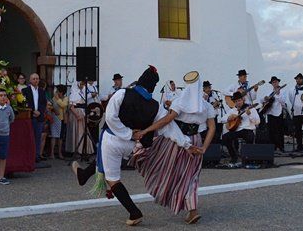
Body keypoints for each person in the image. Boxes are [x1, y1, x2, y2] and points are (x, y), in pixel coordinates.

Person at [72, 66, 166, 227]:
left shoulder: (123, 93)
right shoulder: (155, 105)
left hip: (114, 140)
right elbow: (165, 125)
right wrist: (184, 142)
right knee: (107, 161)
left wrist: (128, 132)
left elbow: (110, 117)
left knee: (113, 179)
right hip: (131, 146)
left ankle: (134, 212)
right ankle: (83, 175)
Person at [132, 71, 216, 224]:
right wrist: (204, 147)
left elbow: (166, 121)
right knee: (191, 176)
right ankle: (192, 210)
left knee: (166, 169)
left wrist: (146, 130)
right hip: (196, 141)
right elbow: (212, 128)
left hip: (177, 142)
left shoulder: (179, 102)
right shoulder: (206, 106)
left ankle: (167, 193)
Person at [221, 91, 260, 167]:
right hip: (237, 130)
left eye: (239, 100)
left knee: (250, 137)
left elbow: (257, 122)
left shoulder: (250, 108)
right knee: (225, 137)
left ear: (243, 100)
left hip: (247, 129)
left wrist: (249, 114)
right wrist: (228, 118)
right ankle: (234, 156)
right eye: (236, 101)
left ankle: (248, 157)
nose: (238, 103)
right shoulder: (233, 110)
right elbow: (222, 119)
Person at [67, 79, 98, 155]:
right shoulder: (73, 93)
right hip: (76, 113)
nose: (82, 86)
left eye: (83, 84)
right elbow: (71, 106)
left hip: (82, 112)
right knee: (78, 132)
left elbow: (84, 103)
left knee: (83, 132)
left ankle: (83, 150)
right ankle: (77, 150)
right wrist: (77, 115)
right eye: (81, 84)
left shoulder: (83, 93)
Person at [24, 73, 48, 164]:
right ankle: (29, 156)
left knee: (38, 137)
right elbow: (25, 102)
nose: (36, 80)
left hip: (39, 117)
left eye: (37, 79)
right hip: (30, 116)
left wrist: (39, 112)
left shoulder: (42, 91)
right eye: (34, 79)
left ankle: (36, 156)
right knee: (29, 137)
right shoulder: (25, 90)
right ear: (30, 80)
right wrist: (33, 110)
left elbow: (43, 103)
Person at [263, 76, 287, 152]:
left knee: (280, 131)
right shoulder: (268, 91)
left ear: (278, 82)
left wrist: (278, 94)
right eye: (273, 82)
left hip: (278, 112)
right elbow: (262, 100)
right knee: (271, 131)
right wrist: (265, 99)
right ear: (271, 84)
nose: (275, 83)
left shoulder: (282, 91)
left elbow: (283, 102)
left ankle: (281, 146)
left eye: (276, 82)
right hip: (270, 112)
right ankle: (273, 147)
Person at [287, 73, 303, 152]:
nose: (298, 80)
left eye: (300, 78)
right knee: (297, 131)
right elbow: (291, 99)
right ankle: (299, 146)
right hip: (296, 113)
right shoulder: (292, 89)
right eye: (297, 79)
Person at [49, 85, 68, 159]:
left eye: (57, 91)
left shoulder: (65, 98)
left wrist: (57, 99)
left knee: (60, 137)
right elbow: (50, 106)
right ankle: (52, 153)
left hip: (62, 119)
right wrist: (53, 109)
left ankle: (60, 153)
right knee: (53, 136)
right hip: (55, 118)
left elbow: (63, 105)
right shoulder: (53, 98)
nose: (56, 92)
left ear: (61, 92)